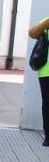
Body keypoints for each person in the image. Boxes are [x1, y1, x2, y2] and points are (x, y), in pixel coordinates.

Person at [28, 16, 49, 146]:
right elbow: (32, 33)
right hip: (46, 72)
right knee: (47, 103)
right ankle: (48, 136)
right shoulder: (47, 21)